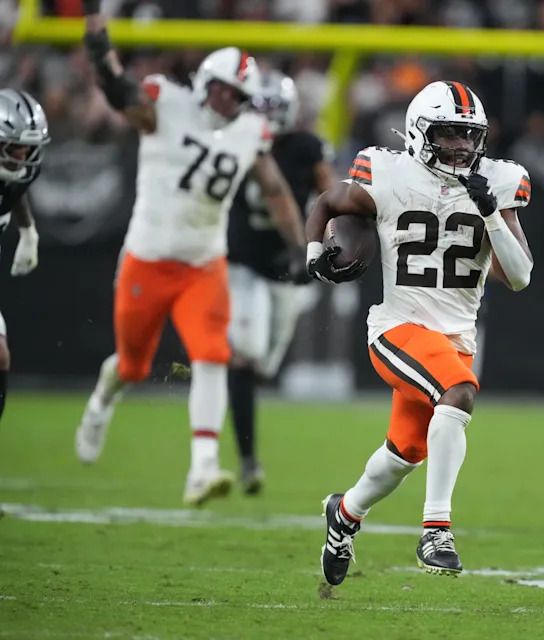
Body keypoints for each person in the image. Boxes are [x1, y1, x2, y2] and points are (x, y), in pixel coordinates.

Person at [73, 1, 306, 507]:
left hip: (204, 262)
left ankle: (202, 467)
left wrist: (300, 246)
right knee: (133, 366)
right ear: (204, 81)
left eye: (237, 95)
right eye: (221, 87)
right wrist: (96, 27)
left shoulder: (249, 133)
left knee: (212, 354)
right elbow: (115, 88)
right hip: (149, 258)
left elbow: (276, 192)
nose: (226, 100)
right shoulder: (164, 101)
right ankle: (101, 400)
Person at [305, 81, 534, 584]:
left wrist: (491, 211)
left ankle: (343, 514)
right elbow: (327, 202)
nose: (459, 146)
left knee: (403, 453)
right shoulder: (387, 172)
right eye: (448, 134)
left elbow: (519, 276)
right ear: (418, 132)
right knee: (460, 390)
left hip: (453, 340)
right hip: (397, 328)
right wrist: (315, 256)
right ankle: (436, 531)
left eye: (468, 136)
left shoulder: (497, 182)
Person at [226, 70, 336, 495]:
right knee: (245, 356)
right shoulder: (234, 138)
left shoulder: (307, 148)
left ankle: (234, 374)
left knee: (265, 367)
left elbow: (330, 198)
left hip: (288, 269)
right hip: (242, 261)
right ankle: (248, 461)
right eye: (261, 107)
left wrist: (327, 245)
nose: (267, 117)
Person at [0, 89, 49, 424]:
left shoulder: (14, 176)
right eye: (15, 147)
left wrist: (28, 231)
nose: (23, 157)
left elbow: (16, 191)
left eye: (29, 149)